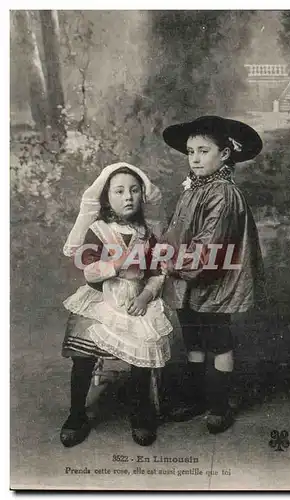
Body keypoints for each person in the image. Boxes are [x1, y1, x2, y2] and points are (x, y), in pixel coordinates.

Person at [160, 115, 266, 434]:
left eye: (203, 151)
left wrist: (172, 264)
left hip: (215, 280)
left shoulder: (222, 192)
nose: (194, 158)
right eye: (190, 151)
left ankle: (219, 405)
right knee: (192, 337)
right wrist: (160, 251)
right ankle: (197, 398)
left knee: (218, 339)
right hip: (188, 280)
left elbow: (209, 247)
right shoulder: (195, 188)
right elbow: (177, 232)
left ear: (225, 154)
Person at [60, 162, 173, 448]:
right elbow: (88, 270)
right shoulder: (98, 230)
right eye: (119, 191)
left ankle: (140, 412)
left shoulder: (148, 235)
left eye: (134, 190)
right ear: (107, 197)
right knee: (83, 352)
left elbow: (159, 272)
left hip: (136, 299)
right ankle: (76, 414)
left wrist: (145, 296)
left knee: (143, 348)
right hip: (103, 299)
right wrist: (117, 263)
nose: (128, 197)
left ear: (142, 196)